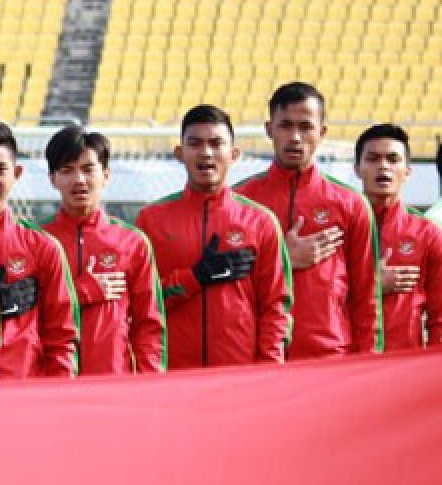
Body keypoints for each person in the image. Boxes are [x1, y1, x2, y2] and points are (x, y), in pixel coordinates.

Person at [135, 105, 291, 369]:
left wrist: (269, 370)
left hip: (240, 373)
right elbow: (142, 304)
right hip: (172, 374)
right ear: (179, 153)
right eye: (195, 143)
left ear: (234, 154)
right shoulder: (150, 220)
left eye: (216, 143)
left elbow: (275, 306)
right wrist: (194, 278)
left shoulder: (261, 222)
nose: (206, 153)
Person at [235, 82, 382, 357]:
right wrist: (283, 259)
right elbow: (225, 286)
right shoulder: (240, 201)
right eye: (286, 126)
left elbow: (366, 297)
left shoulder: (351, 204)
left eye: (305, 127)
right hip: (258, 356)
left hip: (330, 355)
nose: (295, 137)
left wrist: (367, 363)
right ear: (269, 129)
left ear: (322, 132)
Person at [0, 120, 79, 378]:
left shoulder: (42, 246)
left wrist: (61, 395)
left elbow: (62, 336)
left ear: (17, 173)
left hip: (23, 391)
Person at [40, 124, 166, 375]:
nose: (79, 180)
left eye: (88, 169)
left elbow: (149, 325)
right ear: (53, 179)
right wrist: (81, 292)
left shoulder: (132, 242)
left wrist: (150, 383)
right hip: (52, 382)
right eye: (67, 170)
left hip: (115, 381)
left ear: (106, 175)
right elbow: (26, 317)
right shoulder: (38, 241)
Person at [354, 124, 442, 349]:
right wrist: (371, 285)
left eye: (393, 159)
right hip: (346, 362)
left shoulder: (427, 234)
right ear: (357, 168)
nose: (383, 166)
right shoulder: (341, 229)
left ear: (408, 171)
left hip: (403, 366)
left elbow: (439, 317)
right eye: (373, 159)